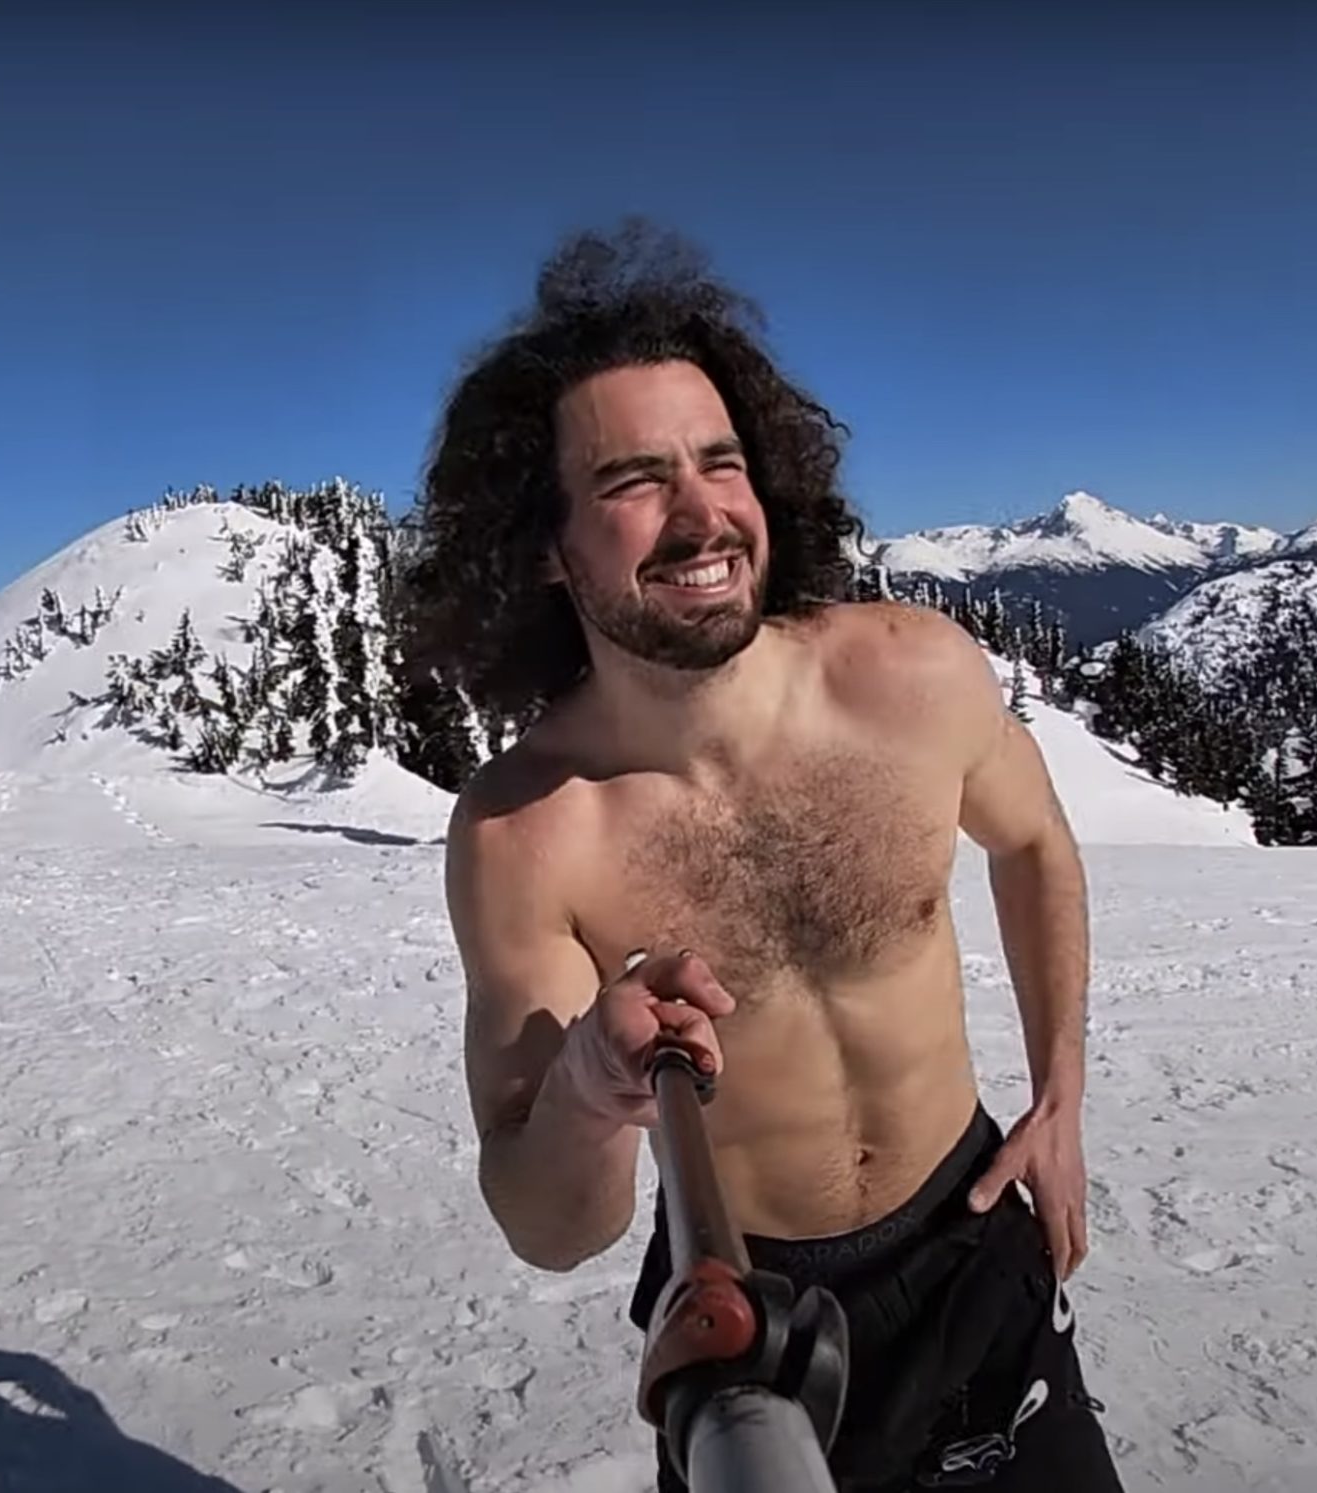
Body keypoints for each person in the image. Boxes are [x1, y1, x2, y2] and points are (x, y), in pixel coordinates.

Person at [395, 220, 1126, 1491]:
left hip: (971, 1244)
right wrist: (583, 1089)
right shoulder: (526, 829)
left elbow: (1033, 843)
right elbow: (548, 1223)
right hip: (747, 1325)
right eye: (631, 480)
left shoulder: (910, 671)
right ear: (544, 545)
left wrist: (1059, 1092)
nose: (701, 513)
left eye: (719, 460)